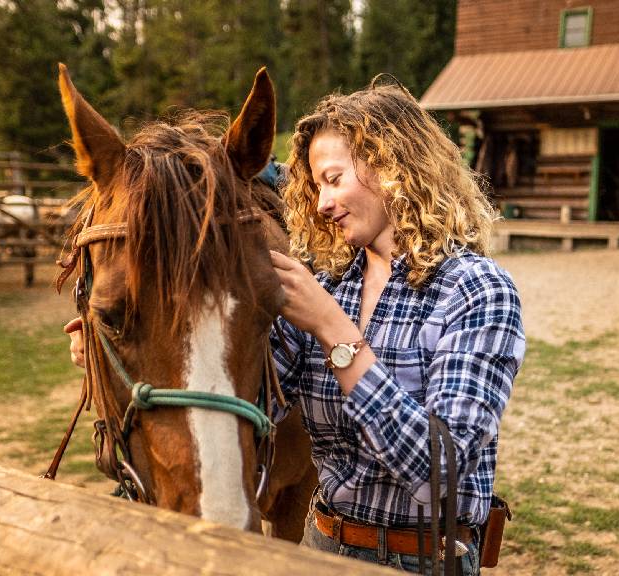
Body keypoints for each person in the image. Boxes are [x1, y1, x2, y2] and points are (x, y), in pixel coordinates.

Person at [66, 79, 525, 575]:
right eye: (316, 187)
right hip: (318, 548)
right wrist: (123, 342)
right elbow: (240, 391)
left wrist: (335, 331)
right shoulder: (332, 280)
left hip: (423, 561)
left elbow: (443, 475)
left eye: (333, 179)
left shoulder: (477, 290)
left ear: (395, 169)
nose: (323, 204)